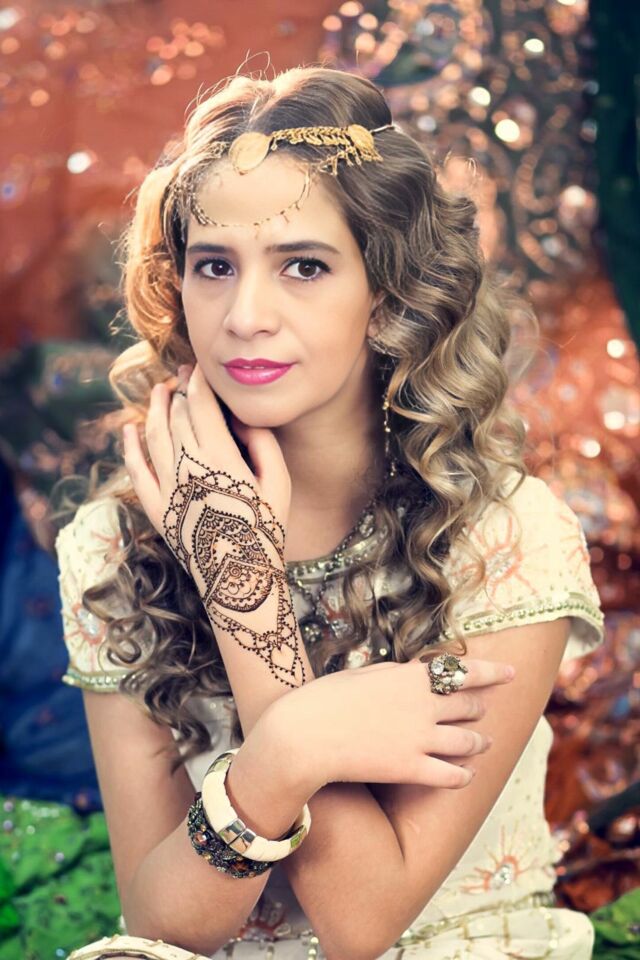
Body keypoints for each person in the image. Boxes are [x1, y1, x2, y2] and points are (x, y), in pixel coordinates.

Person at [56, 66, 604, 960]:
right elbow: (160, 924)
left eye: (303, 266)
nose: (246, 316)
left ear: (385, 296)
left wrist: (242, 589)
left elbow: (362, 922)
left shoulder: (502, 535)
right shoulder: (112, 545)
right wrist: (292, 750)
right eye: (214, 266)